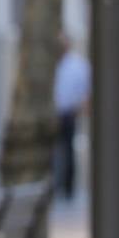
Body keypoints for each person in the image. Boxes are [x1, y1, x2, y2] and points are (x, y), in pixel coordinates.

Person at [53, 34, 91, 200]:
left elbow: (85, 90)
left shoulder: (77, 65)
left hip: (69, 113)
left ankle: (68, 189)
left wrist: (81, 107)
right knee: (52, 152)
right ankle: (54, 187)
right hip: (52, 114)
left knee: (68, 151)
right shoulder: (52, 64)